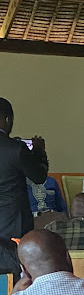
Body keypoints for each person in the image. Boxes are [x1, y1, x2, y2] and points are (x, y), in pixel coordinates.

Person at [0, 98, 48, 276]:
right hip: (14, 222)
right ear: (7, 119)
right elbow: (39, 177)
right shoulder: (17, 148)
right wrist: (39, 152)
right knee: (16, 270)